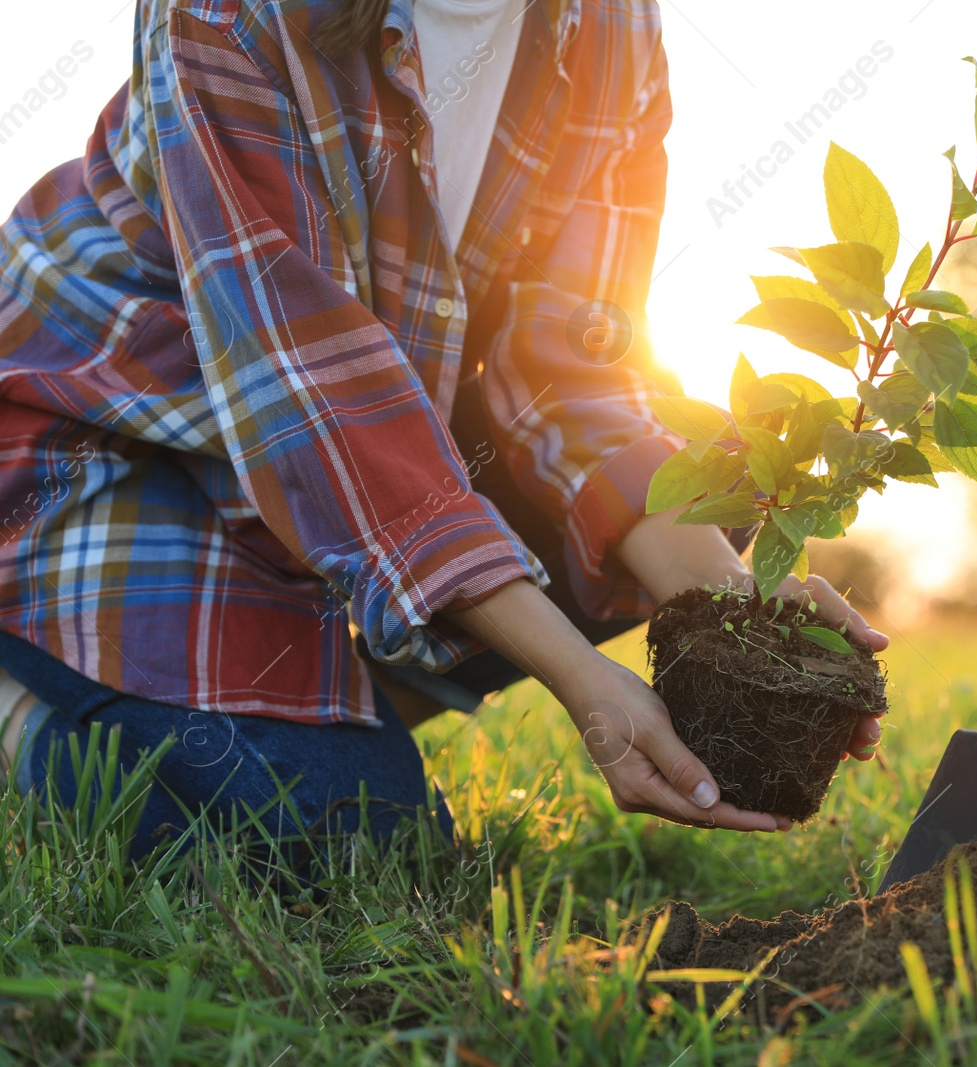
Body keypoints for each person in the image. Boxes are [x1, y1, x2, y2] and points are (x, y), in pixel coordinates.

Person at [0, 0, 887, 860]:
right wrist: (581, 684)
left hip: (343, 453)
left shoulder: (610, 20)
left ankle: (319, 701)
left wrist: (731, 604)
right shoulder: (233, 12)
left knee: (684, 482)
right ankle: (25, 703)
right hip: (108, 437)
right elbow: (320, 404)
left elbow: (568, 373)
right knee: (339, 838)